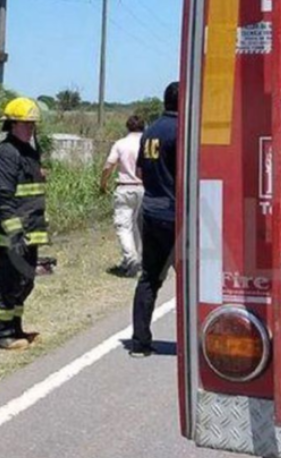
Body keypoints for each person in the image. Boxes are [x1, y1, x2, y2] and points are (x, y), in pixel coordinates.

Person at [0, 97, 49, 350]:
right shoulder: (5, 154)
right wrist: (15, 233)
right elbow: (4, 197)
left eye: (32, 124)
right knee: (6, 283)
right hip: (12, 233)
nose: (30, 128)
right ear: (12, 124)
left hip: (31, 230)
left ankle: (15, 327)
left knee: (24, 281)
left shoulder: (28, 151)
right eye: (25, 124)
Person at [130, 82, 179, 358]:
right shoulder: (180, 131)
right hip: (175, 213)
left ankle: (139, 342)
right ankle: (193, 342)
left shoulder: (149, 131)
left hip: (150, 210)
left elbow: (139, 171)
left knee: (149, 277)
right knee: (190, 280)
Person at [101, 115, 146, 278]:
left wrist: (103, 183)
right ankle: (139, 258)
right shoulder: (147, 143)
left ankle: (130, 257)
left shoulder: (120, 144)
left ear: (127, 127)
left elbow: (109, 165)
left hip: (125, 187)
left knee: (123, 226)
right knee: (138, 226)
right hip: (144, 188)